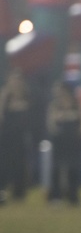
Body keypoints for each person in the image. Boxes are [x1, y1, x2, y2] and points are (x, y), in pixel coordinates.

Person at [45, 81, 81, 205]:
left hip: (74, 141)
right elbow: (51, 123)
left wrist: (79, 133)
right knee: (57, 168)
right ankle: (56, 196)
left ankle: (73, 196)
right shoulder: (54, 105)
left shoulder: (78, 104)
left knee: (74, 168)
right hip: (60, 141)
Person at [0, 68, 36, 203]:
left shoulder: (26, 96)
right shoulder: (5, 97)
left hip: (20, 136)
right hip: (6, 136)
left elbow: (30, 117)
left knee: (20, 164)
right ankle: (2, 189)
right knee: (4, 162)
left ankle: (19, 192)